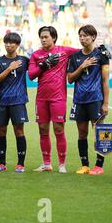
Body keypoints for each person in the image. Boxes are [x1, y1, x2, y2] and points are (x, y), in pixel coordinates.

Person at [28, 26, 79, 173]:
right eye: (41, 37)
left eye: (46, 37)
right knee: (43, 130)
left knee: (58, 129)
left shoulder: (64, 51)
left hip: (58, 98)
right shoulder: (36, 55)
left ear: (54, 38)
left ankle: (62, 164)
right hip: (41, 98)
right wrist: (44, 65)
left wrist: (99, 49)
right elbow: (31, 75)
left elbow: (83, 52)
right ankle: (47, 163)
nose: (43, 39)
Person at [67, 25, 110, 175]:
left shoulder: (101, 55)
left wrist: (105, 103)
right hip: (79, 100)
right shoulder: (75, 57)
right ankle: (85, 165)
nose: (82, 38)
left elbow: (105, 81)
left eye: (85, 36)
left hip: (96, 99)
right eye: (80, 36)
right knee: (82, 132)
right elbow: (70, 78)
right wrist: (82, 66)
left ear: (93, 37)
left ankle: (99, 166)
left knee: (100, 132)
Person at [0, 32, 29, 173]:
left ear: (17, 45)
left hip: (18, 101)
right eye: (6, 42)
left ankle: (20, 164)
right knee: (1, 132)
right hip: (1, 101)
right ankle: (2, 163)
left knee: (19, 131)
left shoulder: (24, 60)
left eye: (12, 42)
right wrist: (9, 68)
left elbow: (36, 71)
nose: (9, 45)